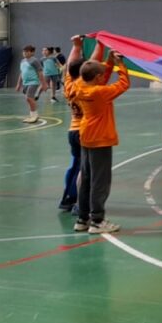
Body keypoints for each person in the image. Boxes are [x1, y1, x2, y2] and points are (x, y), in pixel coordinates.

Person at [73, 49, 130, 234]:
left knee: (86, 178)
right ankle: (97, 220)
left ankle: (82, 219)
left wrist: (110, 61)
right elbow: (123, 84)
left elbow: (101, 75)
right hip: (101, 140)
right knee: (100, 181)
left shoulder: (80, 85)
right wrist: (121, 65)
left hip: (86, 137)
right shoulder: (100, 92)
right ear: (97, 78)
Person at [59, 35, 89, 212]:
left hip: (73, 130)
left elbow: (70, 67)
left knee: (75, 165)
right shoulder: (86, 89)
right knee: (84, 169)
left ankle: (68, 199)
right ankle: (79, 204)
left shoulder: (69, 86)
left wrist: (76, 46)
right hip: (85, 132)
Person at [14, 45, 45, 123]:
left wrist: (43, 84)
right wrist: (18, 84)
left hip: (33, 82)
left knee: (29, 98)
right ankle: (32, 115)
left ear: (32, 52)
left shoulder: (34, 61)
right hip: (25, 83)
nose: (25, 53)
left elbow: (40, 72)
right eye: (24, 52)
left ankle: (35, 115)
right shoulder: (22, 61)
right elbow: (21, 73)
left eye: (27, 52)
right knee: (29, 99)